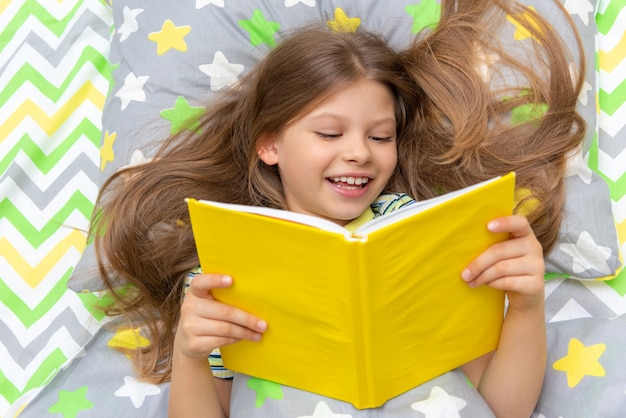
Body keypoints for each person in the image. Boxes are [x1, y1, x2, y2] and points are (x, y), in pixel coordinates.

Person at [91, 1, 586, 417]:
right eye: (330, 133)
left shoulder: (423, 229)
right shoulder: (226, 262)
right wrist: (191, 353)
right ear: (270, 145)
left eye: (380, 136)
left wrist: (525, 307)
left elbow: (505, 407)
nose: (359, 152)